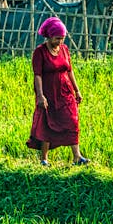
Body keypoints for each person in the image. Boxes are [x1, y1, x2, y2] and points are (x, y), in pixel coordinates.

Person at [26, 16, 90, 166]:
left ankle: (77, 156)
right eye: (57, 38)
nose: (60, 42)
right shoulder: (40, 52)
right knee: (48, 124)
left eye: (62, 38)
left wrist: (77, 90)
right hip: (49, 93)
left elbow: (69, 71)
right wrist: (40, 96)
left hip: (65, 92)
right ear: (49, 36)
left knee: (72, 121)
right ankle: (44, 159)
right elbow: (38, 75)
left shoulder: (65, 50)